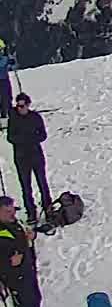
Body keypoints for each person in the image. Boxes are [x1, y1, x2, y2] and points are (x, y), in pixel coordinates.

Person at [0, 198, 56, 307]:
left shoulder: (15, 224)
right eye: (7, 211)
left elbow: (23, 241)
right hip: (13, 277)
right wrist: (9, 262)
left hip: (27, 269)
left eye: (12, 210)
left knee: (35, 300)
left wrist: (31, 237)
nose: (12, 214)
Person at [9, 94, 48, 222]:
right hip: (21, 157)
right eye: (18, 106)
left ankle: (48, 207)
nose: (20, 108)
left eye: (22, 106)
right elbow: (10, 137)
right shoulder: (14, 119)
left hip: (36, 154)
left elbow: (43, 135)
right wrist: (24, 140)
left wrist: (31, 139)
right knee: (26, 186)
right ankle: (31, 211)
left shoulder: (35, 117)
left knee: (42, 183)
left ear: (28, 105)